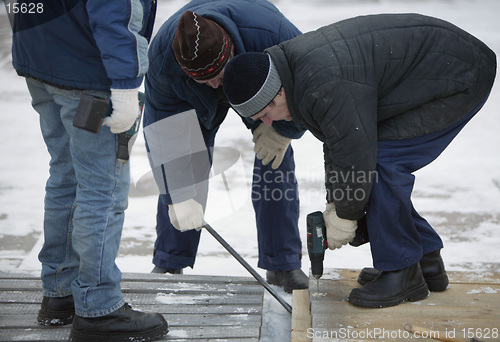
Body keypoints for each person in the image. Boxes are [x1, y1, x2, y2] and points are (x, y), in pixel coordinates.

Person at [222, 13, 496, 308]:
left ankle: (403, 272)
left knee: (381, 163)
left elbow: (355, 153)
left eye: (266, 112)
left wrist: (345, 213)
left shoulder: (320, 81)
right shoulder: (299, 76)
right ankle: (425, 260)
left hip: (459, 74)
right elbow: (339, 142)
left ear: (278, 91)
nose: (268, 123)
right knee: (371, 161)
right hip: (437, 68)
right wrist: (335, 202)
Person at [10, 1, 169, 340]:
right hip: (88, 72)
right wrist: (126, 84)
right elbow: (114, 10)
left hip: (41, 58)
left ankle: (60, 291)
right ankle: (98, 305)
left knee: (65, 177)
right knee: (102, 190)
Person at [144, 0, 309, 293]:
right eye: (203, 80)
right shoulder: (162, 61)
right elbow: (165, 135)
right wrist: (176, 194)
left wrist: (285, 129)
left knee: (275, 160)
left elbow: (309, 83)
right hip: (188, 98)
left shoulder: (273, 34)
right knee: (185, 170)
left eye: (216, 77)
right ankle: (171, 260)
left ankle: (283, 263)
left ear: (229, 49)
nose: (213, 86)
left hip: (257, 75)